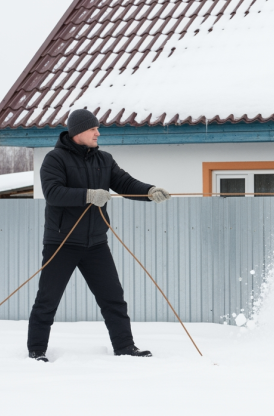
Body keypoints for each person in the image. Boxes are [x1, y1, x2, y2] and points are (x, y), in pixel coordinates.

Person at [27, 109, 172, 362]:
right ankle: (36, 350)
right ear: (78, 132)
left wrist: (149, 191)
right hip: (61, 242)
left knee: (113, 298)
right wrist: (89, 195)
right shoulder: (54, 159)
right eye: (93, 129)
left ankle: (125, 347)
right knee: (47, 299)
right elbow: (53, 193)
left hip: (96, 244)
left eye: (97, 128)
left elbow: (125, 183)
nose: (98, 133)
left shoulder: (104, 159)